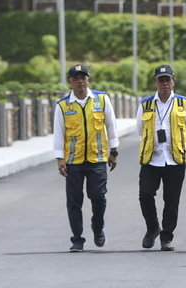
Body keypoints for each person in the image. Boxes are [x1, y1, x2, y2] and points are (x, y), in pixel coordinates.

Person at [53, 64, 119, 252]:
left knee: (98, 197)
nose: (80, 81)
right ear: (70, 81)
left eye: (83, 77)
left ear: (88, 79)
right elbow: (59, 134)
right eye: (76, 78)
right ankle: (77, 239)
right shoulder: (63, 105)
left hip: (97, 157)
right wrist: (59, 158)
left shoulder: (101, 99)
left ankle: (98, 227)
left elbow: (111, 126)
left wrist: (113, 151)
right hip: (73, 160)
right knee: (74, 201)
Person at [137, 64, 186, 251]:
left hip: (174, 158)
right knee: (145, 194)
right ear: (155, 82)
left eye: (168, 80)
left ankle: (167, 236)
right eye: (161, 80)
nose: (165, 84)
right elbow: (140, 129)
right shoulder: (146, 104)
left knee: (172, 200)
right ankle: (153, 228)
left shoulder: (183, 103)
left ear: (173, 81)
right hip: (151, 158)